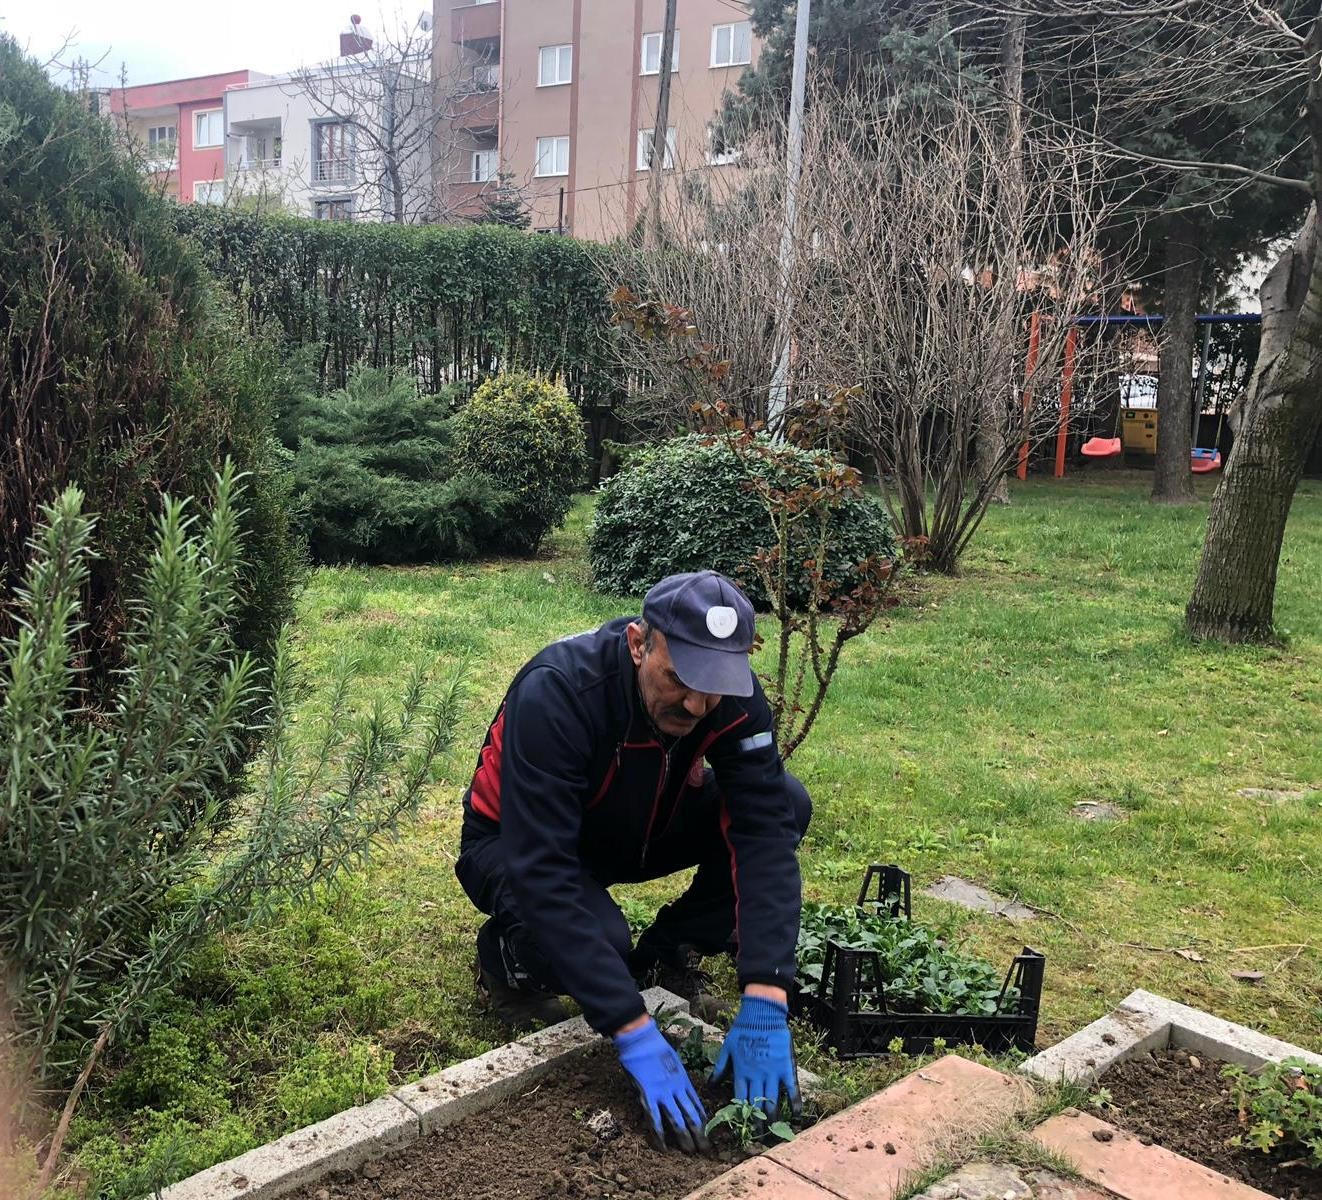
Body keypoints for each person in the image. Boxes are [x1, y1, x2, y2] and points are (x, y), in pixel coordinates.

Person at [455, 570, 811, 1153]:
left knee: (787, 804)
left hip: (639, 823)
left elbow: (764, 832)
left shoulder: (730, 698)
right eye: (680, 678)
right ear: (639, 643)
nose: (697, 704)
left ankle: (669, 952)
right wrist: (631, 1028)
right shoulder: (559, 690)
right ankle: (507, 963)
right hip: (516, 842)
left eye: (714, 686)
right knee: (600, 943)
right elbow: (541, 868)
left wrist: (768, 990)